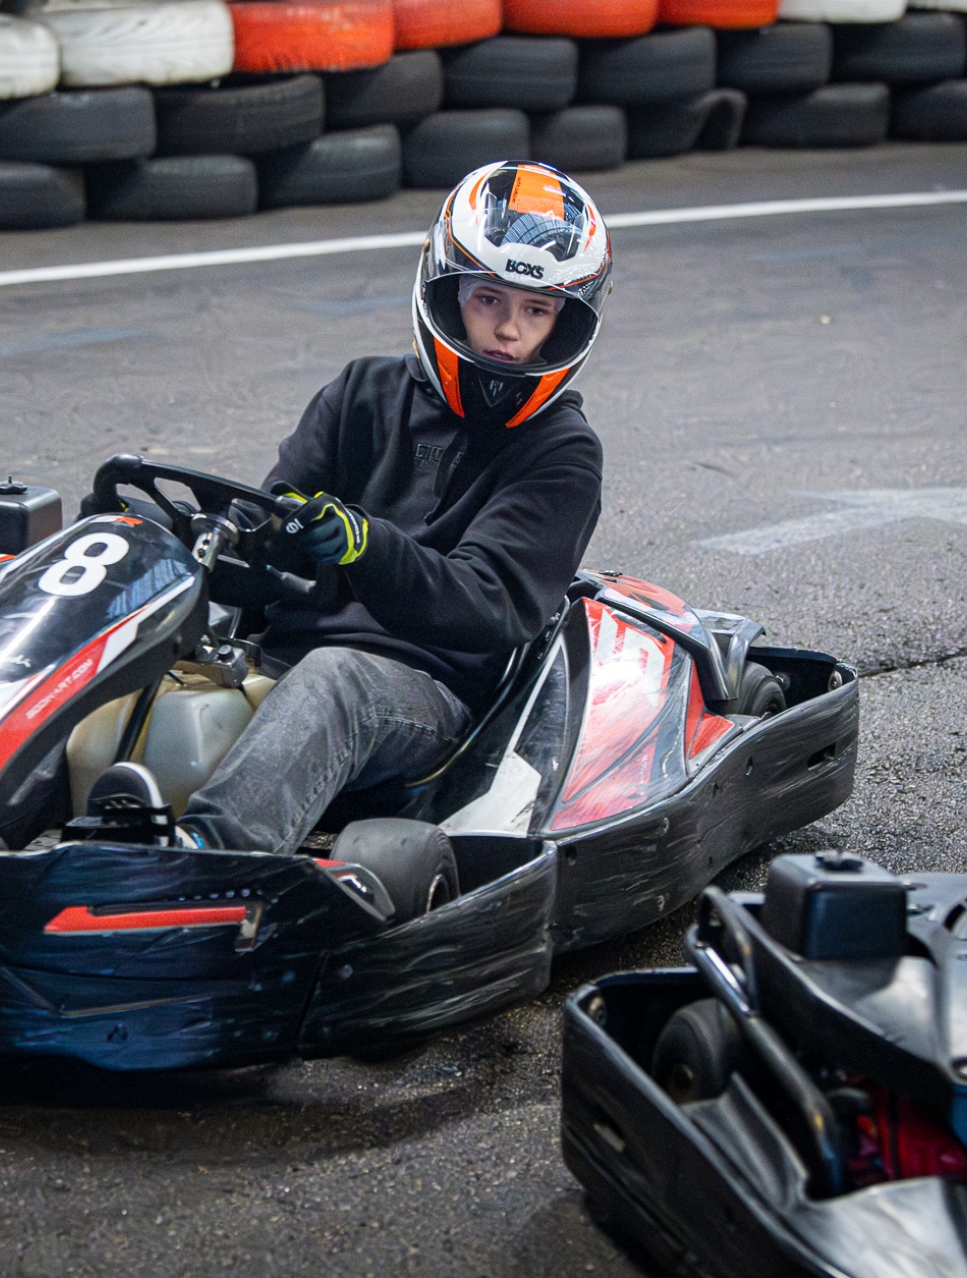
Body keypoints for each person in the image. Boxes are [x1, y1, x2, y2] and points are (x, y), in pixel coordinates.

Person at [85, 160, 609, 853]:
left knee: (336, 678)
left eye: (535, 310)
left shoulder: (561, 450)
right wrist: (198, 538)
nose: (509, 331)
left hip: (429, 695)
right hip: (281, 658)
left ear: (564, 326)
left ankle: (206, 861)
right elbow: (268, 524)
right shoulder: (363, 391)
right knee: (120, 612)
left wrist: (368, 546)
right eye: (489, 299)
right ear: (446, 291)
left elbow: (490, 605)